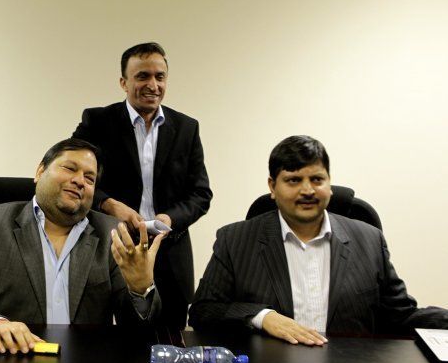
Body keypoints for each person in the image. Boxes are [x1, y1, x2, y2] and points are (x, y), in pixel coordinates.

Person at [189, 135, 448, 346]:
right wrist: (262, 317)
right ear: (272, 186)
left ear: (329, 184)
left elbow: (400, 316)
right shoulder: (236, 240)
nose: (307, 190)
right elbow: (203, 312)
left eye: (316, 179)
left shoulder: (369, 239)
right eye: (293, 180)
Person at [0, 138, 164, 354]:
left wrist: (140, 288)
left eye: (90, 178)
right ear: (40, 171)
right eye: (70, 168)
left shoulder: (111, 233)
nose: (79, 181)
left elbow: (138, 332)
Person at [72, 42, 212, 328]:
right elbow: (73, 176)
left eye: (159, 77)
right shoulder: (98, 121)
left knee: (171, 343)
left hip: (169, 252)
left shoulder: (187, 127)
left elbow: (200, 194)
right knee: (114, 345)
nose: (152, 85)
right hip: (112, 248)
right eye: (142, 76)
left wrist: (169, 218)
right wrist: (109, 204)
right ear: (124, 82)